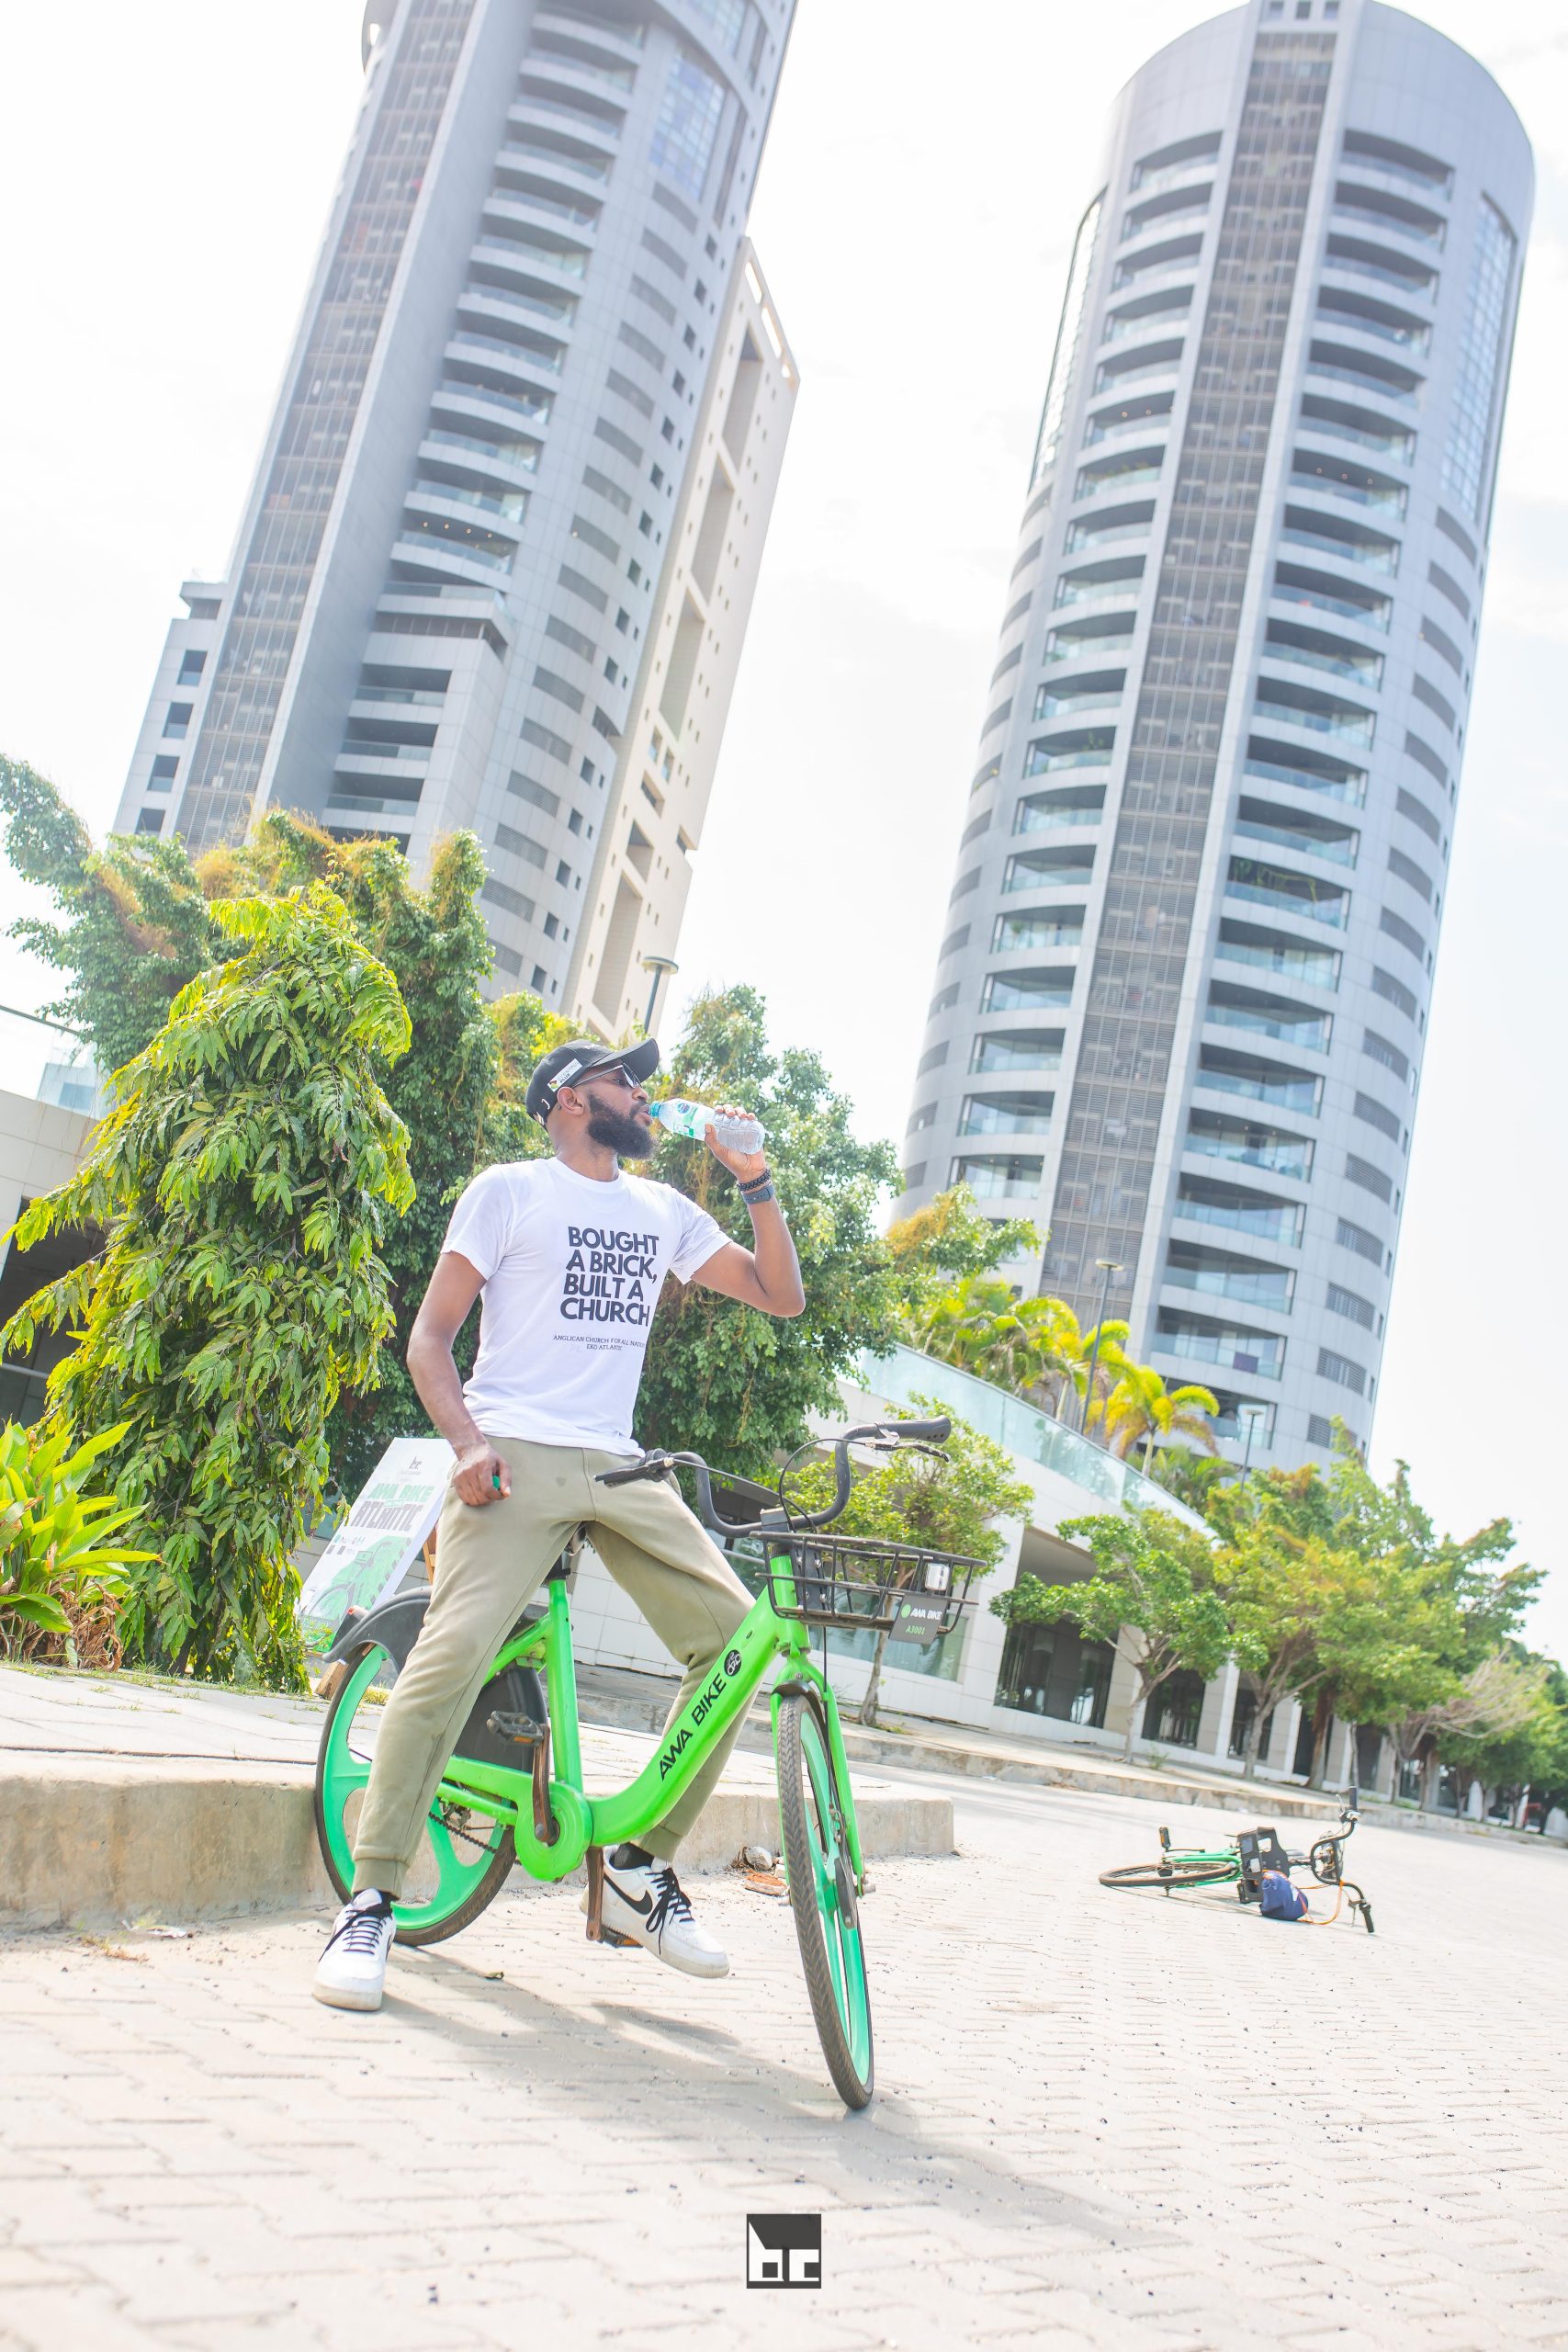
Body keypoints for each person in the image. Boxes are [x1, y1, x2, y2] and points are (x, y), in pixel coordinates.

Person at [313, 1036, 805, 2011]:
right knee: (453, 1651)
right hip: (513, 1450)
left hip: (617, 1460)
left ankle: (639, 1868)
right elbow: (429, 1340)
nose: (645, 1093)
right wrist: (465, 1444)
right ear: (572, 1099)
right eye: (626, 1080)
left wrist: (755, 1180)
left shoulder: (663, 1210)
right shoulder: (508, 1191)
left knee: (738, 1641)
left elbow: (780, 1297)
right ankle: (371, 1898)